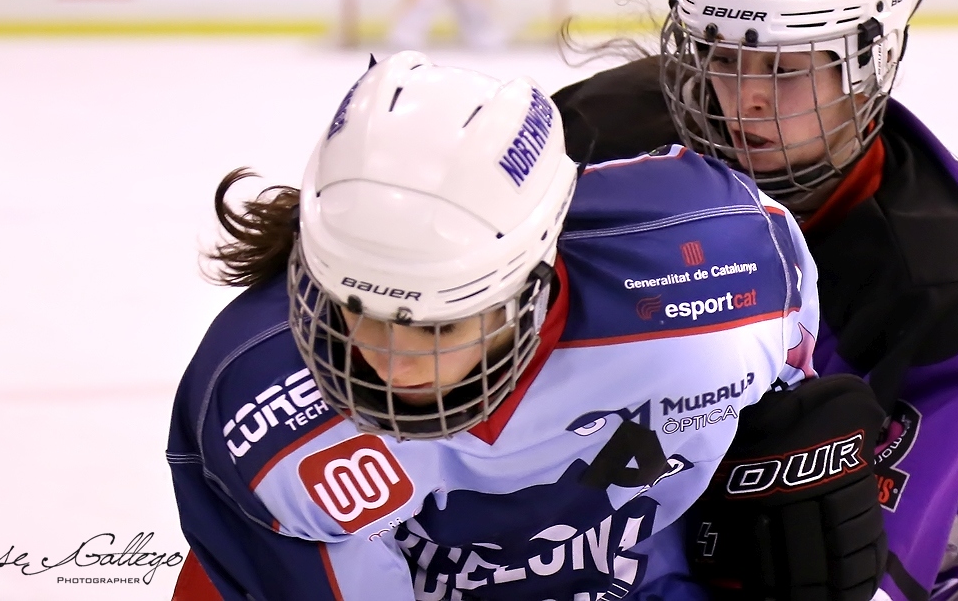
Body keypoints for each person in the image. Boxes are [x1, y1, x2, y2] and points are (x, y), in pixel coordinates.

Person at [166, 50, 888, 601]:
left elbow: (780, 414)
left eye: (441, 327)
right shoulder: (266, 419)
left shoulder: (727, 273)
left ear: (534, 277)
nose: (389, 364)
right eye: (357, 311)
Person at [551, 0, 958, 601]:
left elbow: (872, 566)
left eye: (784, 67)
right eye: (722, 57)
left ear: (867, 63)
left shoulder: (952, 278)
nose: (743, 99)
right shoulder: (599, 143)